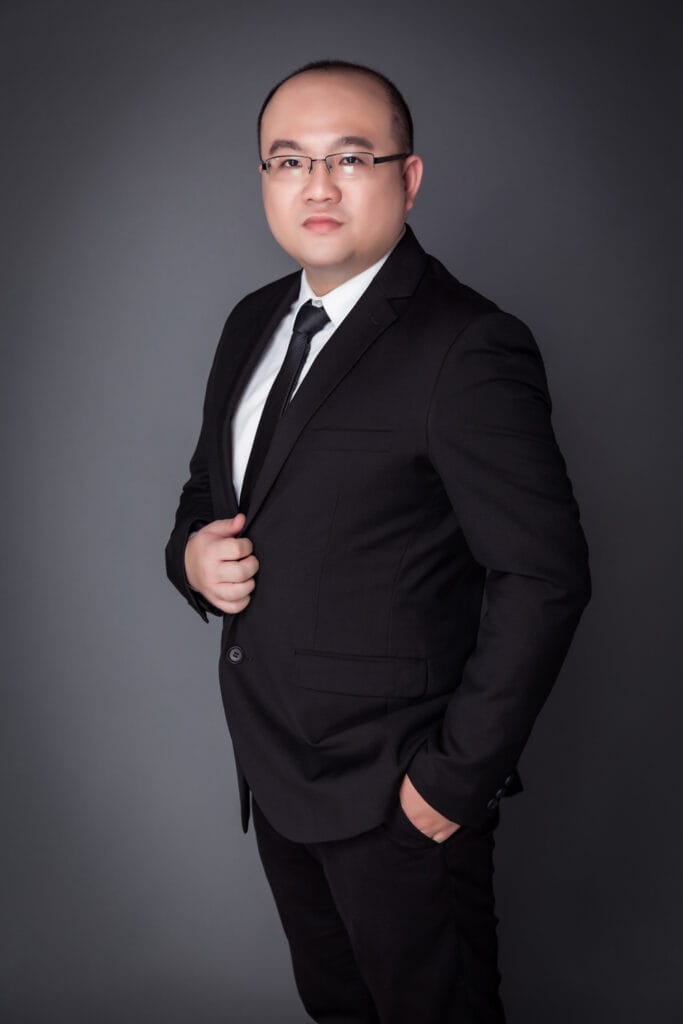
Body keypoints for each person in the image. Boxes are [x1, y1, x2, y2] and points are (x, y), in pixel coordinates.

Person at [164, 59, 591, 1024]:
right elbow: (206, 493)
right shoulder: (251, 322)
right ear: (264, 179)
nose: (316, 185)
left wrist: (451, 783)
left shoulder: (466, 345)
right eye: (288, 161)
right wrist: (191, 559)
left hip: (397, 793)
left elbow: (543, 577)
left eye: (350, 158)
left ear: (408, 177)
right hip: (275, 772)